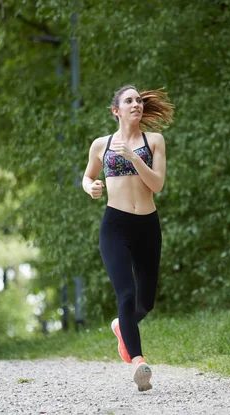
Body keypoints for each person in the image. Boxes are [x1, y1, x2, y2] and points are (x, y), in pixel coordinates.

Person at [82, 85, 174, 391]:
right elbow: (87, 176)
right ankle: (138, 364)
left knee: (144, 302)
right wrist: (91, 187)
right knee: (126, 293)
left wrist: (135, 158)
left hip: (148, 225)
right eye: (129, 100)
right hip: (115, 226)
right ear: (116, 111)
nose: (136, 104)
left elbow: (157, 184)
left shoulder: (154, 141)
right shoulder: (101, 144)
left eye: (138, 100)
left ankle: (122, 326)